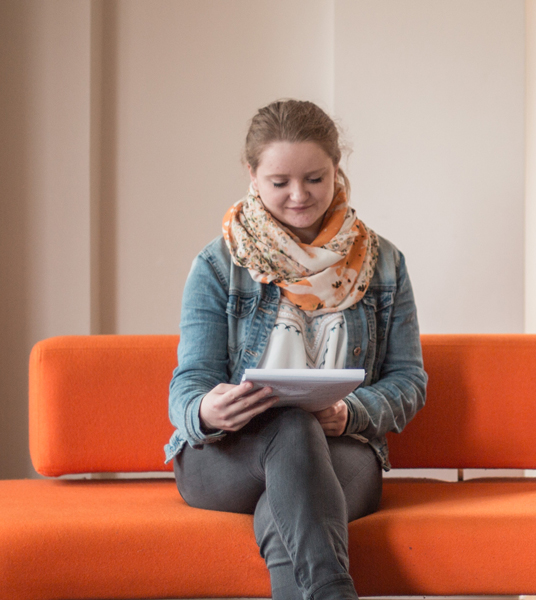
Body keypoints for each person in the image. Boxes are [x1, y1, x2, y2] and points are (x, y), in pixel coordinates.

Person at [164, 99, 427, 600]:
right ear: (252, 174)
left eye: (314, 178)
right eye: (280, 182)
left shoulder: (384, 264)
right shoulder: (219, 265)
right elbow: (190, 380)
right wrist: (207, 409)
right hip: (227, 457)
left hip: (341, 452)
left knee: (284, 506)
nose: (299, 196)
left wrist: (350, 413)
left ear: (336, 170)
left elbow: (409, 381)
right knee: (290, 425)